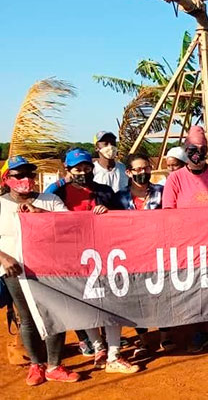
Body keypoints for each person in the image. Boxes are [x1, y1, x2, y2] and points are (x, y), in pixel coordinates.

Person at [0, 156, 81, 385]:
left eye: (29, 174)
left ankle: (54, 365)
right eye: (19, 175)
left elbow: (72, 225)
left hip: (50, 269)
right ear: (7, 179)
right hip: (15, 271)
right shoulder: (0, 204)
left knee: (54, 315)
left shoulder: (49, 200)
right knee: (27, 319)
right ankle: (36, 364)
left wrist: (40, 214)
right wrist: (4, 258)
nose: (26, 179)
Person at [162, 126, 208, 353]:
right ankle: (198, 333)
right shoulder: (175, 179)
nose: (198, 153)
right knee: (193, 289)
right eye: (193, 149)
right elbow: (168, 213)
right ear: (186, 150)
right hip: (188, 246)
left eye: (202, 149)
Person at [45, 148, 121, 360]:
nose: (83, 172)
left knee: (109, 300)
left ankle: (113, 349)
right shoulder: (58, 193)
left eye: (87, 167)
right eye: (78, 169)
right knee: (84, 302)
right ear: (68, 169)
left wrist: (108, 213)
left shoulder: (105, 191)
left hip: (104, 254)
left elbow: (121, 219)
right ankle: (98, 346)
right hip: (73, 257)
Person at [114, 153, 175, 355]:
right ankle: (143, 338)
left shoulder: (162, 192)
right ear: (129, 172)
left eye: (146, 168)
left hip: (159, 252)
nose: (143, 172)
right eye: (138, 169)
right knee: (137, 297)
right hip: (131, 256)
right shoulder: (119, 197)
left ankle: (166, 336)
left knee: (162, 294)